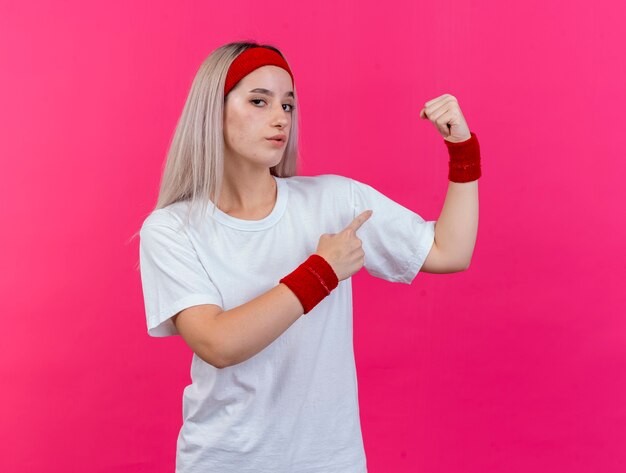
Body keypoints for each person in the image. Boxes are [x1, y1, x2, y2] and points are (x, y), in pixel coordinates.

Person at [138, 40, 463, 473]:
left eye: (288, 106)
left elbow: (449, 250)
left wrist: (463, 150)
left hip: (329, 462)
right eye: (259, 101)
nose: (279, 119)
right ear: (213, 111)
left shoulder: (333, 200)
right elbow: (218, 343)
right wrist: (322, 272)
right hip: (224, 460)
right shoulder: (172, 229)